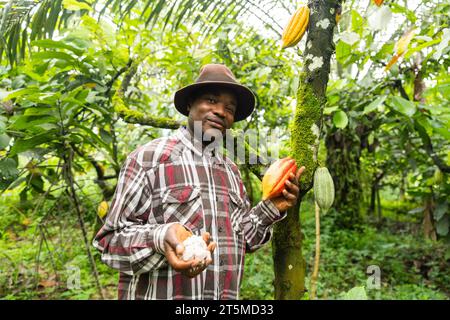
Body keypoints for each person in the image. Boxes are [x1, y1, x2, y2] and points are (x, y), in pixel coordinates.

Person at [93, 64, 305, 299]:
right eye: (211, 101)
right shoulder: (150, 159)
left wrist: (271, 208)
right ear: (189, 105)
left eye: (229, 108)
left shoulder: (231, 171)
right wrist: (162, 237)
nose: (220, 112)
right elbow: (109, 242)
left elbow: (241, 242)